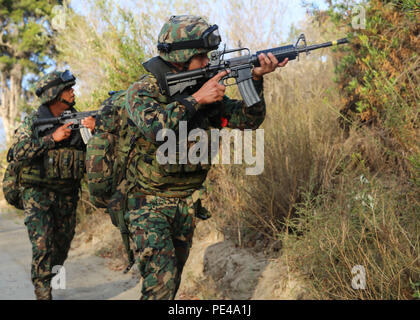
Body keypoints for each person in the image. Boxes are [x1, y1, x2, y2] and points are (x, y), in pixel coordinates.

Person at [123, 15, 288, 300]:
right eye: (201, 56)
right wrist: (197, 100)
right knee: (160, 289)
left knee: (169, 286)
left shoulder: (200, 88)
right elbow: (156, 128)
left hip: (186, 204)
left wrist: (256, 80)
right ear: (181, 57)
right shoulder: (143, 91)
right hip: (148, 204)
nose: (207, 61)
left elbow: (248, 120)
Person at [10, 70, 95, 300]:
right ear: (55, 95)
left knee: (62, 245)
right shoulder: (33, 122)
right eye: (68, 89)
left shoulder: (79, 120)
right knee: (42, 245)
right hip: (38, 194)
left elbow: (95, 158)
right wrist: (52, 139)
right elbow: (16, 153)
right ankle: (43, 293)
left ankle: (49, 280)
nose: (73, 92)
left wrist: (96, 133)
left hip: (67, 194)